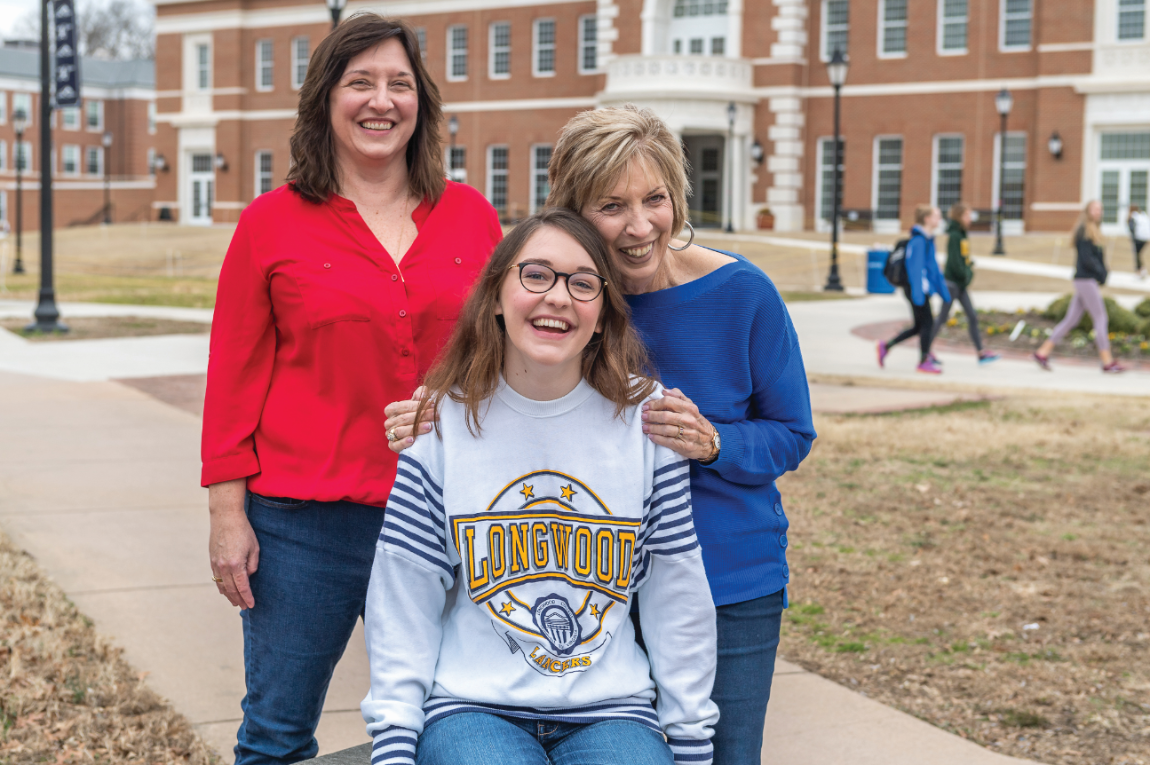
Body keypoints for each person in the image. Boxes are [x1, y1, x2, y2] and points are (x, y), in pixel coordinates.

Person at [385, 105, 816, 765]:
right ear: (574, 211)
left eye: (656, 199)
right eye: (612, 206)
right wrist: (430, 411)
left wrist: (716, 442)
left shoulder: (744, 294)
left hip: (728, 579)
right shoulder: (569, 304)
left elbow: (791, 432)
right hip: (583, 579)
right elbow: (493, 385)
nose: (641, 226)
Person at [200, 15, 502, 765]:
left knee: (456, 723)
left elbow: (506, 350)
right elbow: (233, 377)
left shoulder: (473, 216)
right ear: (326, 99)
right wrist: (227, 516)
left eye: (399, 83)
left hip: (446, 516)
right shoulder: (271, 223)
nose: (381, 100)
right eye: (359, 81)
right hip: (305, 526)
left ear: (422, 104)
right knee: (277, 731)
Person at [362, 208, 719, 765]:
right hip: (472, 707)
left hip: (612, 710)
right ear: (496, 297)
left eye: (582, 283)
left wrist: (691, 737)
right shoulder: (443, 422)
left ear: (602, 315)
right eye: (536, 275)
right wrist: (394, 739)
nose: (558, 297)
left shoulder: (646, 418)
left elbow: (676, 590)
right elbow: (404, 591)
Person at [1034, 200, 1124, 373]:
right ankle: (1107, 361)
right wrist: (1101, 273)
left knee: (1071, 320)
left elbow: (1097, 259)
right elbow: (1087, 260)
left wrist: (1104, 272)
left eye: (1100, 208)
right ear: (1088, 211)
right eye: (1095, 208)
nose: (1098, 211)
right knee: (1100, 318)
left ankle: (1042, 352)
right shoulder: (1084, 231)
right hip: (1085, 280)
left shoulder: (1095, 231)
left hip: (1087, 281)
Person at [877, 205, 951, 374]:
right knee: (927, 324)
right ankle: (923, 361)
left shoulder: (928, 240)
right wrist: (918, 295)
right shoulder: (918, 241)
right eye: (936, 216)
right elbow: (915, 270)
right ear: (927, 219)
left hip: (921, 290)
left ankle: (886, 346)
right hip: (916, 290)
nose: (939, 219)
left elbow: (934, 269)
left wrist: (943, 292)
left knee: (920, 326)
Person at [931, 203, 1000, 365]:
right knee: (942, 318)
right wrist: (967, 273)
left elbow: (964, 259)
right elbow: (955, 263)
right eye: (967, 215)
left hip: (960, 285)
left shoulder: (962, 235)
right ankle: (925, 350)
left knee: (972, 316)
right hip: (953, 284)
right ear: (959, 217)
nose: (970, 219)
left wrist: (968, 267)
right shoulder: (955, 236)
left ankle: (981, 353)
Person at [1129, 205, 1149, 279]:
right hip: (1146, 237)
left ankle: (1140, 270)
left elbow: (1132, 228)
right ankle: (1141, 270)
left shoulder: (1133, 216)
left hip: (1138, 238)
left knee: (1137, 254)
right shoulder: (1143, 215)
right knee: (1138, 254)